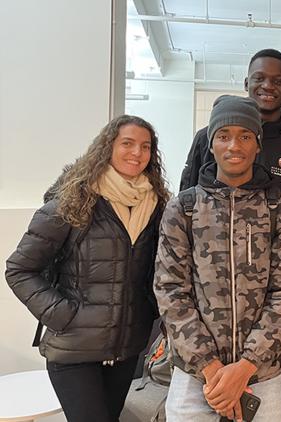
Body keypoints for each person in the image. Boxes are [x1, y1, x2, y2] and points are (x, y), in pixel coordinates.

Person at [5, 115, 169, 422]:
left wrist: (150, 312)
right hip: (74, 350)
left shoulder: (156, 206)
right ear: (107, 147)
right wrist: (63, 315)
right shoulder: (72, 201)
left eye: (146, 146)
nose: (137, 152)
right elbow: (19, 269)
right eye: (128, 143)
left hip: (126, 349)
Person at [154, 95, 281, 421]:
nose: (234, 145)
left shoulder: (280, 207)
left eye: (245, 136)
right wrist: (211, 368)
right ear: (211, 145)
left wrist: (246, 365)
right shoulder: (184, 207)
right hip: (196, 376)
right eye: (224, 136)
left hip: (261, 374)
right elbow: (170, 290)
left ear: (257, 144)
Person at [179, 48, 281, 245]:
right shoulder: (208, 138)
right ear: (247, 83)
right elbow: (185, 202)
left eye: (278, 81)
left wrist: (277, 248)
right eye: (259, 78)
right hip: (210, 260)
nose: (268, 86)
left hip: (271, 269)